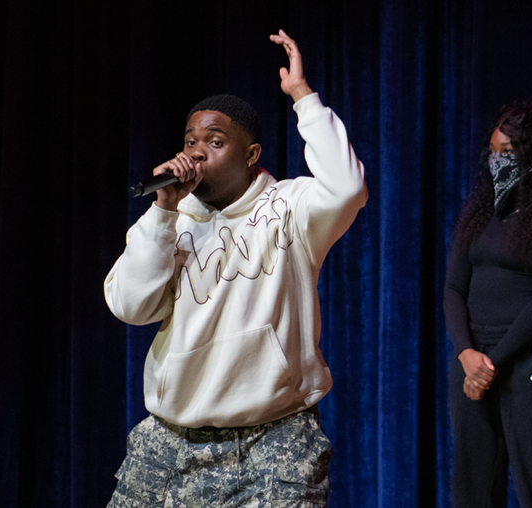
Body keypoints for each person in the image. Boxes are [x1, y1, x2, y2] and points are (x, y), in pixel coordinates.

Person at [103, 30, 367, 507]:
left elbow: (347, 187)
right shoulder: (170, 220)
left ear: (251, 155)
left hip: (273, 441)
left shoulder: (291, 208)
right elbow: (129, 306)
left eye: (216, 141)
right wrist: (162, 211)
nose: (197, 151)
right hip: (170, 440)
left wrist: (304, 98)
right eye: (190, 141)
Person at [444, 101, 532, 507]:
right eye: (491, 151)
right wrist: (467, 354)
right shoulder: (478, 214)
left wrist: (492, 363)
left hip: (527, 360)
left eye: (506, 153)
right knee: (473, 488)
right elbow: (453, 288)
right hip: (472, 360)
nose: (495, 160)